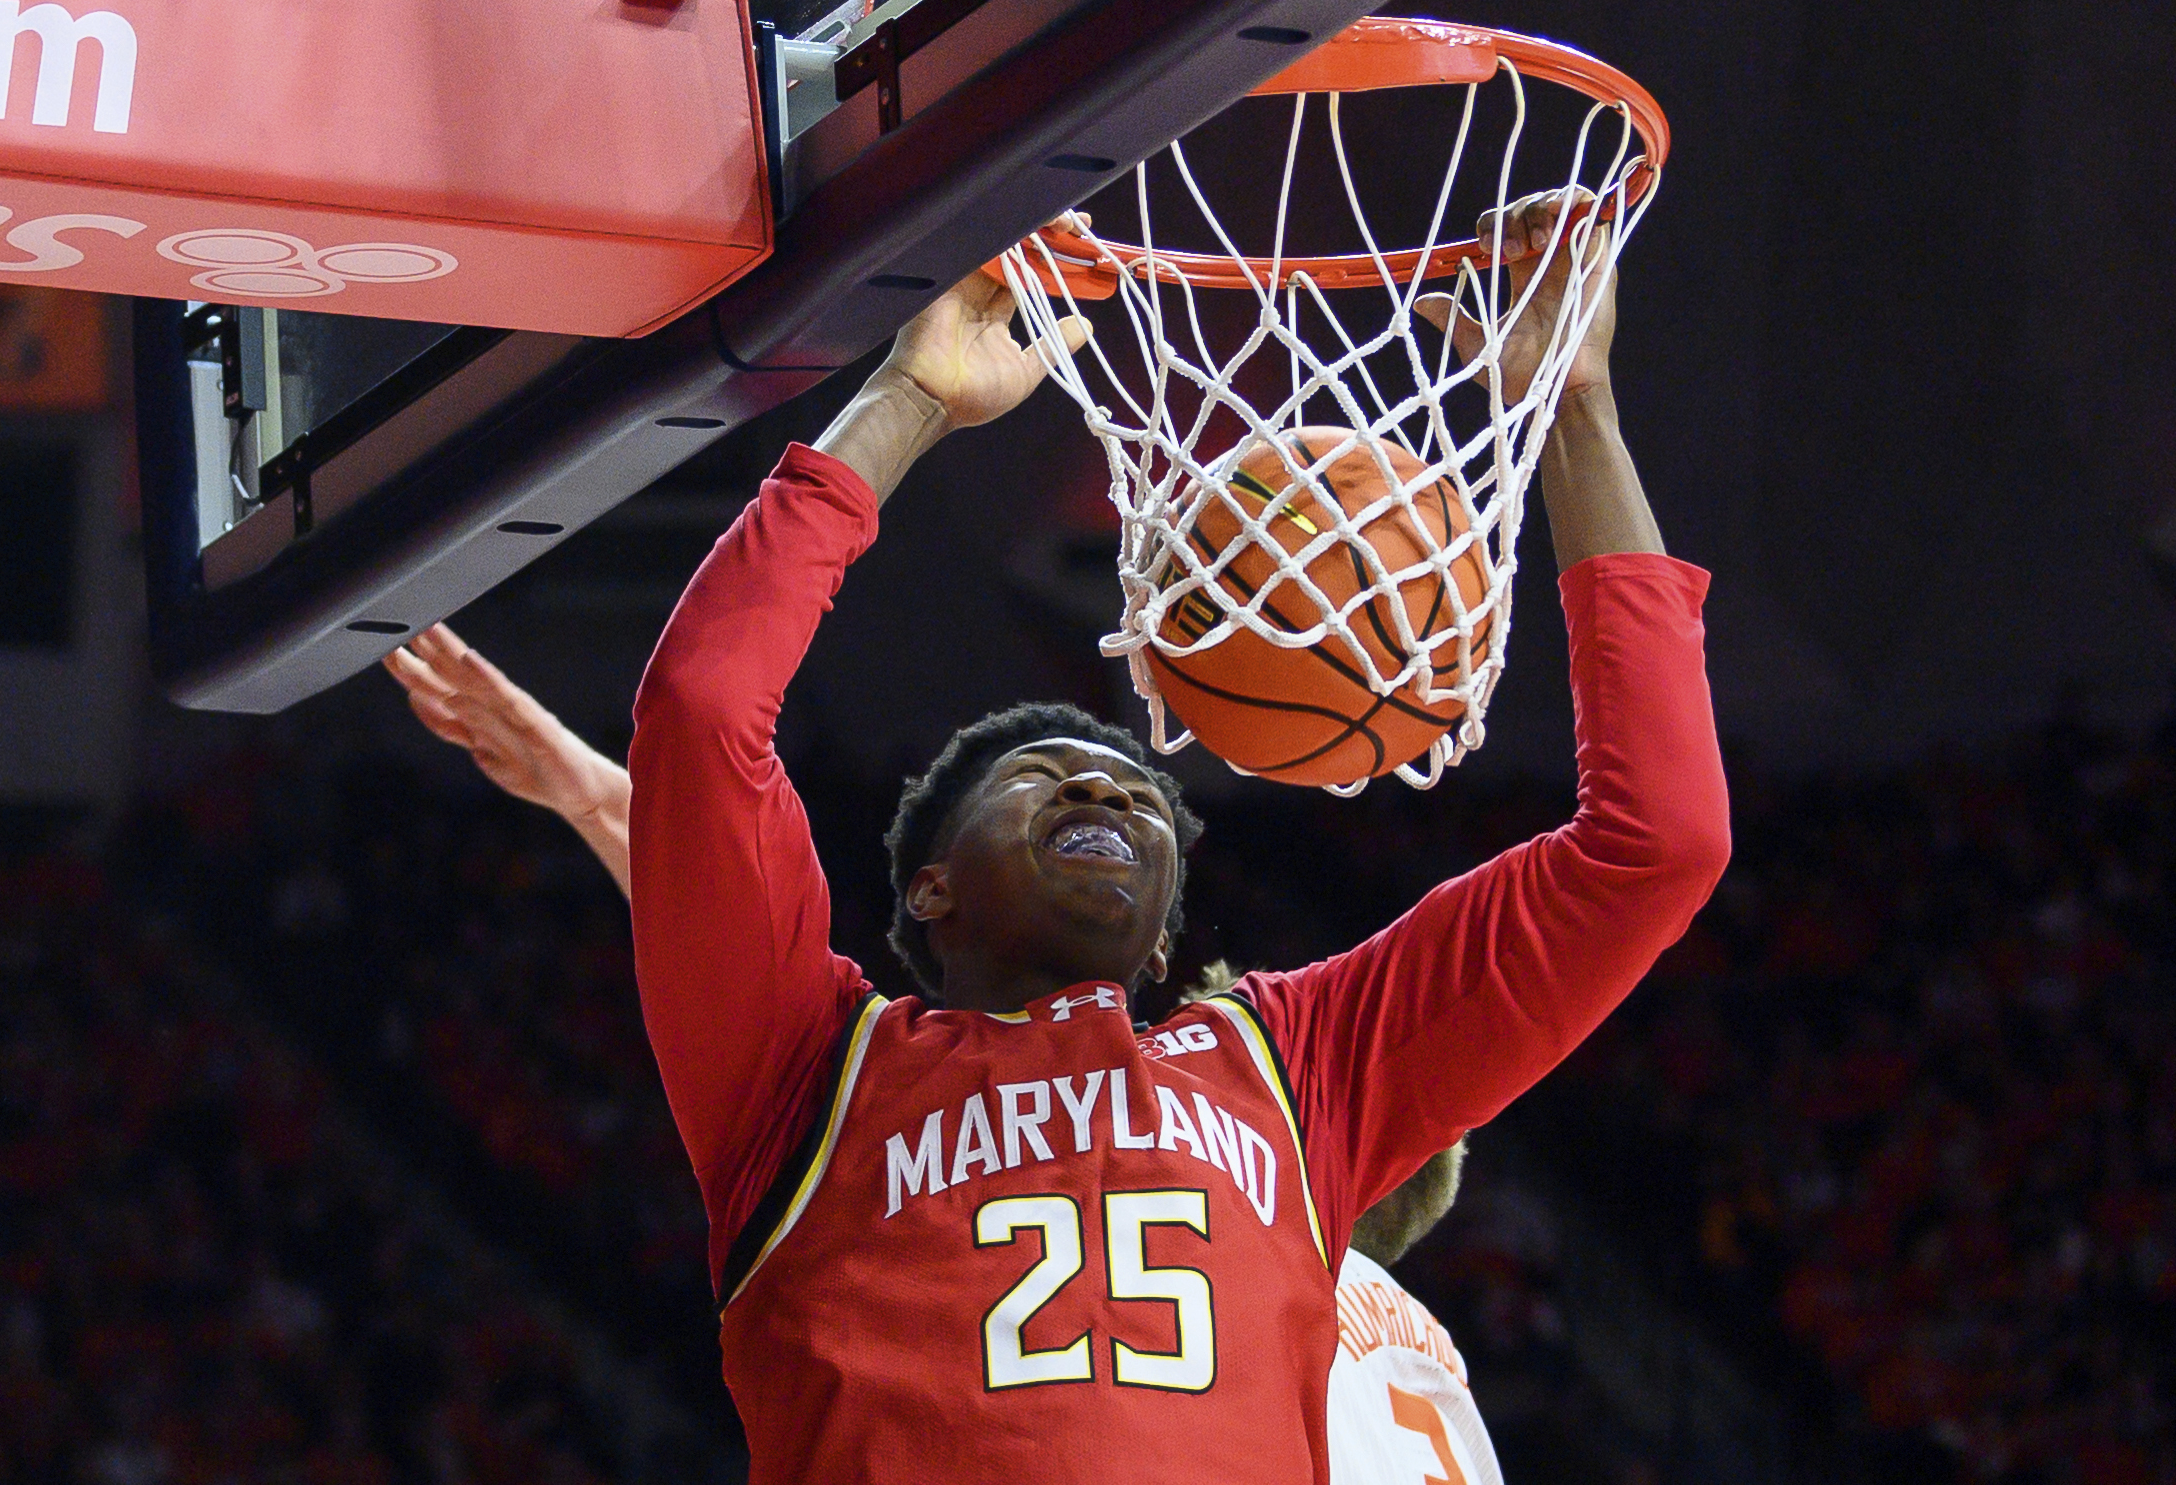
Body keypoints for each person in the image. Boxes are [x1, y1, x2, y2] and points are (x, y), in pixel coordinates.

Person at [394, 188, 1727, 1483]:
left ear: (1162, 942)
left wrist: (1579, 411)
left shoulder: (1292, 1066)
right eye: (1047, 776)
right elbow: (701, 712)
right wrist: (907, 401)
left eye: (1143, 797)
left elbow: (1656, 845)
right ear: (930, 892)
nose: (1111, 796)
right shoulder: (807, 1068)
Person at [386, 671, 1502, 1485]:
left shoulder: (1238, 1250)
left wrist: (615, 803)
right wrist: (615, 807)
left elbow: (817, 1058)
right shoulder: (1375, 1322)